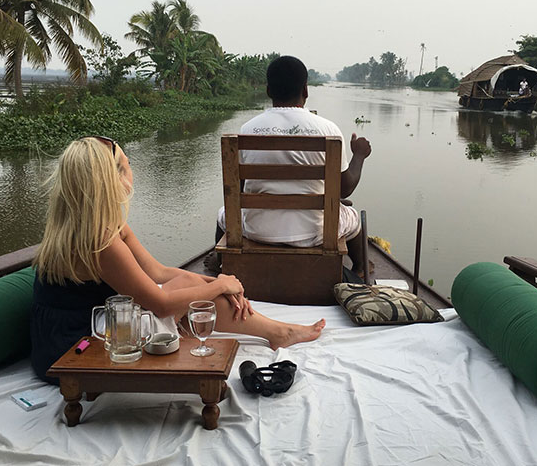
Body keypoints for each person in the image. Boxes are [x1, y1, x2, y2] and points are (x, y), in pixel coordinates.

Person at [30, 136, 325, 383]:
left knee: (186, 281)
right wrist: (220, 285)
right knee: (188, 295)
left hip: (95, 322)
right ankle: (277, 332)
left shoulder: (102, 224)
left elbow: (159, 273)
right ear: (111, 179)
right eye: (127, 164)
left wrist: (222, 283)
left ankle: (274, 331)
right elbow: (159, 304)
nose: (132, 170)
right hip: (76, 343)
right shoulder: (100, 240)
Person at [216, 56, 372, 275]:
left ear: (268, 90)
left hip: (256, 230)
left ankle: (219, 264)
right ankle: (361, 269)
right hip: (314, 234)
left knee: (223, 213)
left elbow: (240, 190)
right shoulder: (328, 130)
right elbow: (345, 189)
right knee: (353, 218)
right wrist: (359, 156)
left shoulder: (247, 129)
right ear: (305, 90)